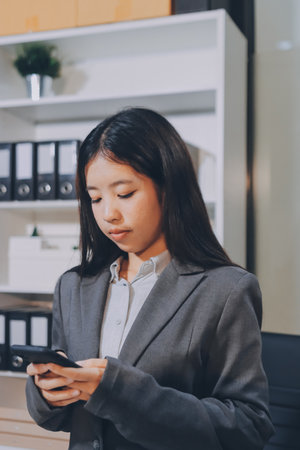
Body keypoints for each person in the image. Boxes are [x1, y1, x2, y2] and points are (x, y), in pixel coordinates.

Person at [26, 107, 274, 450]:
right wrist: (48, 392)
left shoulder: (225, 290)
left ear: (168, 187)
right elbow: (64, 418)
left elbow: (247, 428)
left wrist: (118, 390)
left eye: (124, 193)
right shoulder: (74, 287)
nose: (108, 213)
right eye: (95, 198)